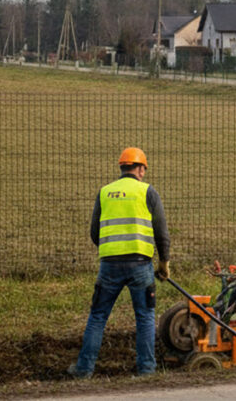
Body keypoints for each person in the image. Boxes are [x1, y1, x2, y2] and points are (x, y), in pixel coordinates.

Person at [69, 147, 171, 379]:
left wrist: (111, 248)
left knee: (98, 316)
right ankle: (146, 371)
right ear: (141, 168)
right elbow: (162, 233)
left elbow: (95, 232)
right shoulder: (147, 192)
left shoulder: (105, 192)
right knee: (144, 317)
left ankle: (84, 370)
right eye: (144, 168)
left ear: (122, 167)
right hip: (140, 265)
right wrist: (164, 263)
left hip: (109, 265)